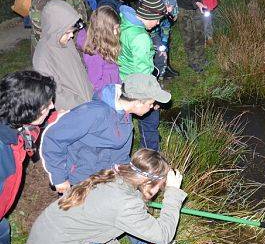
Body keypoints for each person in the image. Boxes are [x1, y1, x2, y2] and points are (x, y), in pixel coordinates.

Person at [23, 149, 186, 244]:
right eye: (161, 186)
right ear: (149, 182)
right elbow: (164, 235)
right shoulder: (125, 203)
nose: (160, 191)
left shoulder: (111, 178)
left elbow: (101, 232)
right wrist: (173, 192)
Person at [39, 73, 170, 194]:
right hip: (78, 179)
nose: (152, 107)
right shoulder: (93, 113)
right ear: (138, 102)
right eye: (150, 103)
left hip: (101, 178)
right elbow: (53, 138)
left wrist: (129, 179)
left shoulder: (125, 115)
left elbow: (121, 154)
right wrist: (59, 178)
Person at [0, 71, 55, 244]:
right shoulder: (3, 152)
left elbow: (33, 129)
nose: (52, 105)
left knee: (3, 229)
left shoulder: (13, 123)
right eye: (47, 105)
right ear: (28, 110)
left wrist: (56, 117)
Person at [119, 0, 168, 150]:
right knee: (150, 120)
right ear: (149, 15)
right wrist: (153, 97)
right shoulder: (140, 38)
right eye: (157, 19)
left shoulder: (125, 22)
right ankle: (151, 155)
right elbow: (143, 74)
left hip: (123, 78)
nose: (158, 23)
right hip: (137, 85)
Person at [33, 0, 93, 111]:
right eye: (67, 32)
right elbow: (57, 96)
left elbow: (79, 72)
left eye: (72, 31)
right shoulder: (43, 58)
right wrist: (82, 107)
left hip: (88, 101)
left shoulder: (65, 41)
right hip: (73, 112)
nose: (71, 35)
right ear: (54, 29)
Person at [75, 6, 122, 94]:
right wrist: (112, 94)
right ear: (104, 31)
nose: (117, 32)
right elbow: (95, 83)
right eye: (114, 29)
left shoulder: (105, 44)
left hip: (114, 89)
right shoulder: (94, 54)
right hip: (106, 96)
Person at [150, 0, 182, 79]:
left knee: (166, 40)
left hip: (167, 16)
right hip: (157, 17)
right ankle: (157, 70)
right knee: (158, 44)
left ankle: (166, 67)